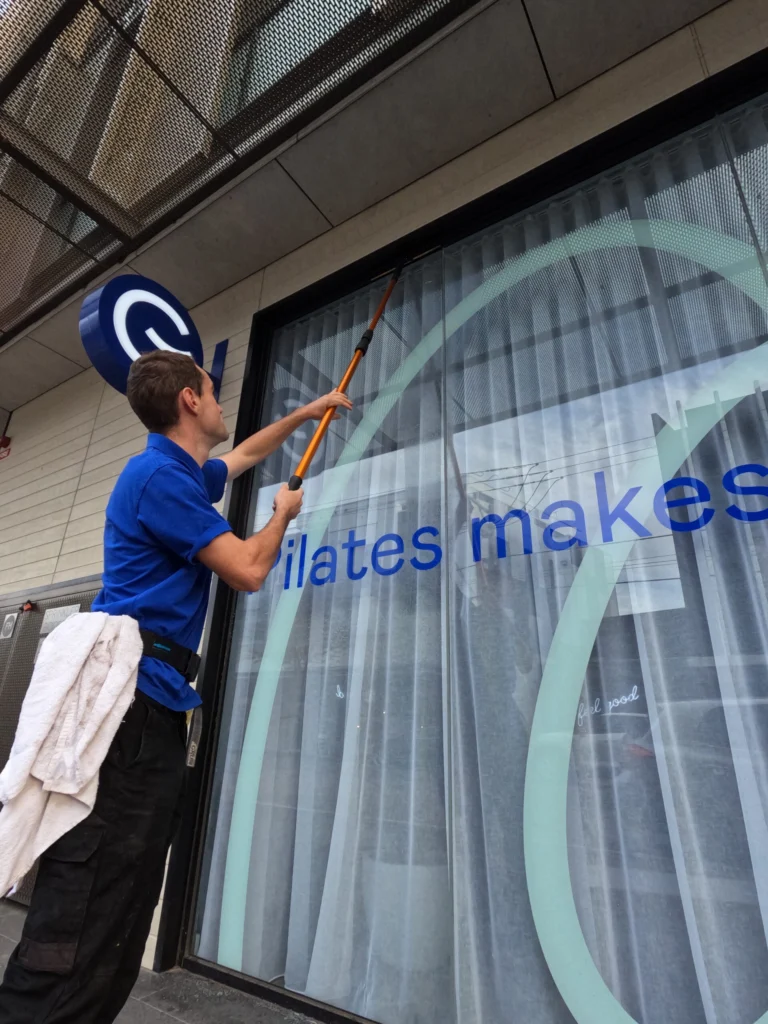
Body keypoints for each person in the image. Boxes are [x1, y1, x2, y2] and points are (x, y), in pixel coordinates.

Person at [0, 349, 352, 1024]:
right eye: (214, 394)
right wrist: (283, 514)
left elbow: (243, 454)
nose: (221, 404)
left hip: (154, 706)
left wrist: (307, 414)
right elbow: (248, 570)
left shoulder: (182, 477)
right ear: (189, 401)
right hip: (127, 709)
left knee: (122, 910)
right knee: (86, 913)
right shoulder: (157, 477)